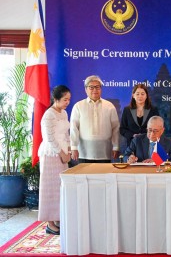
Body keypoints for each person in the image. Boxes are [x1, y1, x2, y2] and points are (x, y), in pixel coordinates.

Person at [38, 85, 71, 235]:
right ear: (56, 99)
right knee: (50, 189)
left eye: (69, 99)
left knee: (60, 188)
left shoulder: (63, 113)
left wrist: (68, 150)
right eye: (65, 99)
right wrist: (61, 153)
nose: (67, 102)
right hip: (51, 155)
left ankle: (58, 218)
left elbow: (66, 134)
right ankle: (50, 224)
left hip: (63, 153)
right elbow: (49, 138)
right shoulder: (48, 115)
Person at [70, 75, 120, 163]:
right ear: (86, 89)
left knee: (104, 176)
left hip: (105, 152)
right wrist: (73, 147)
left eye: (97, 87)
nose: (95, 90)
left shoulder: (109, 106)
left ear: (101, 89)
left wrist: (116, 146)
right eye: (91, 87)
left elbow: (115, 128)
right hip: (84, 153)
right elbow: (74, 128)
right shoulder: (78, 106)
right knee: (84, 177)